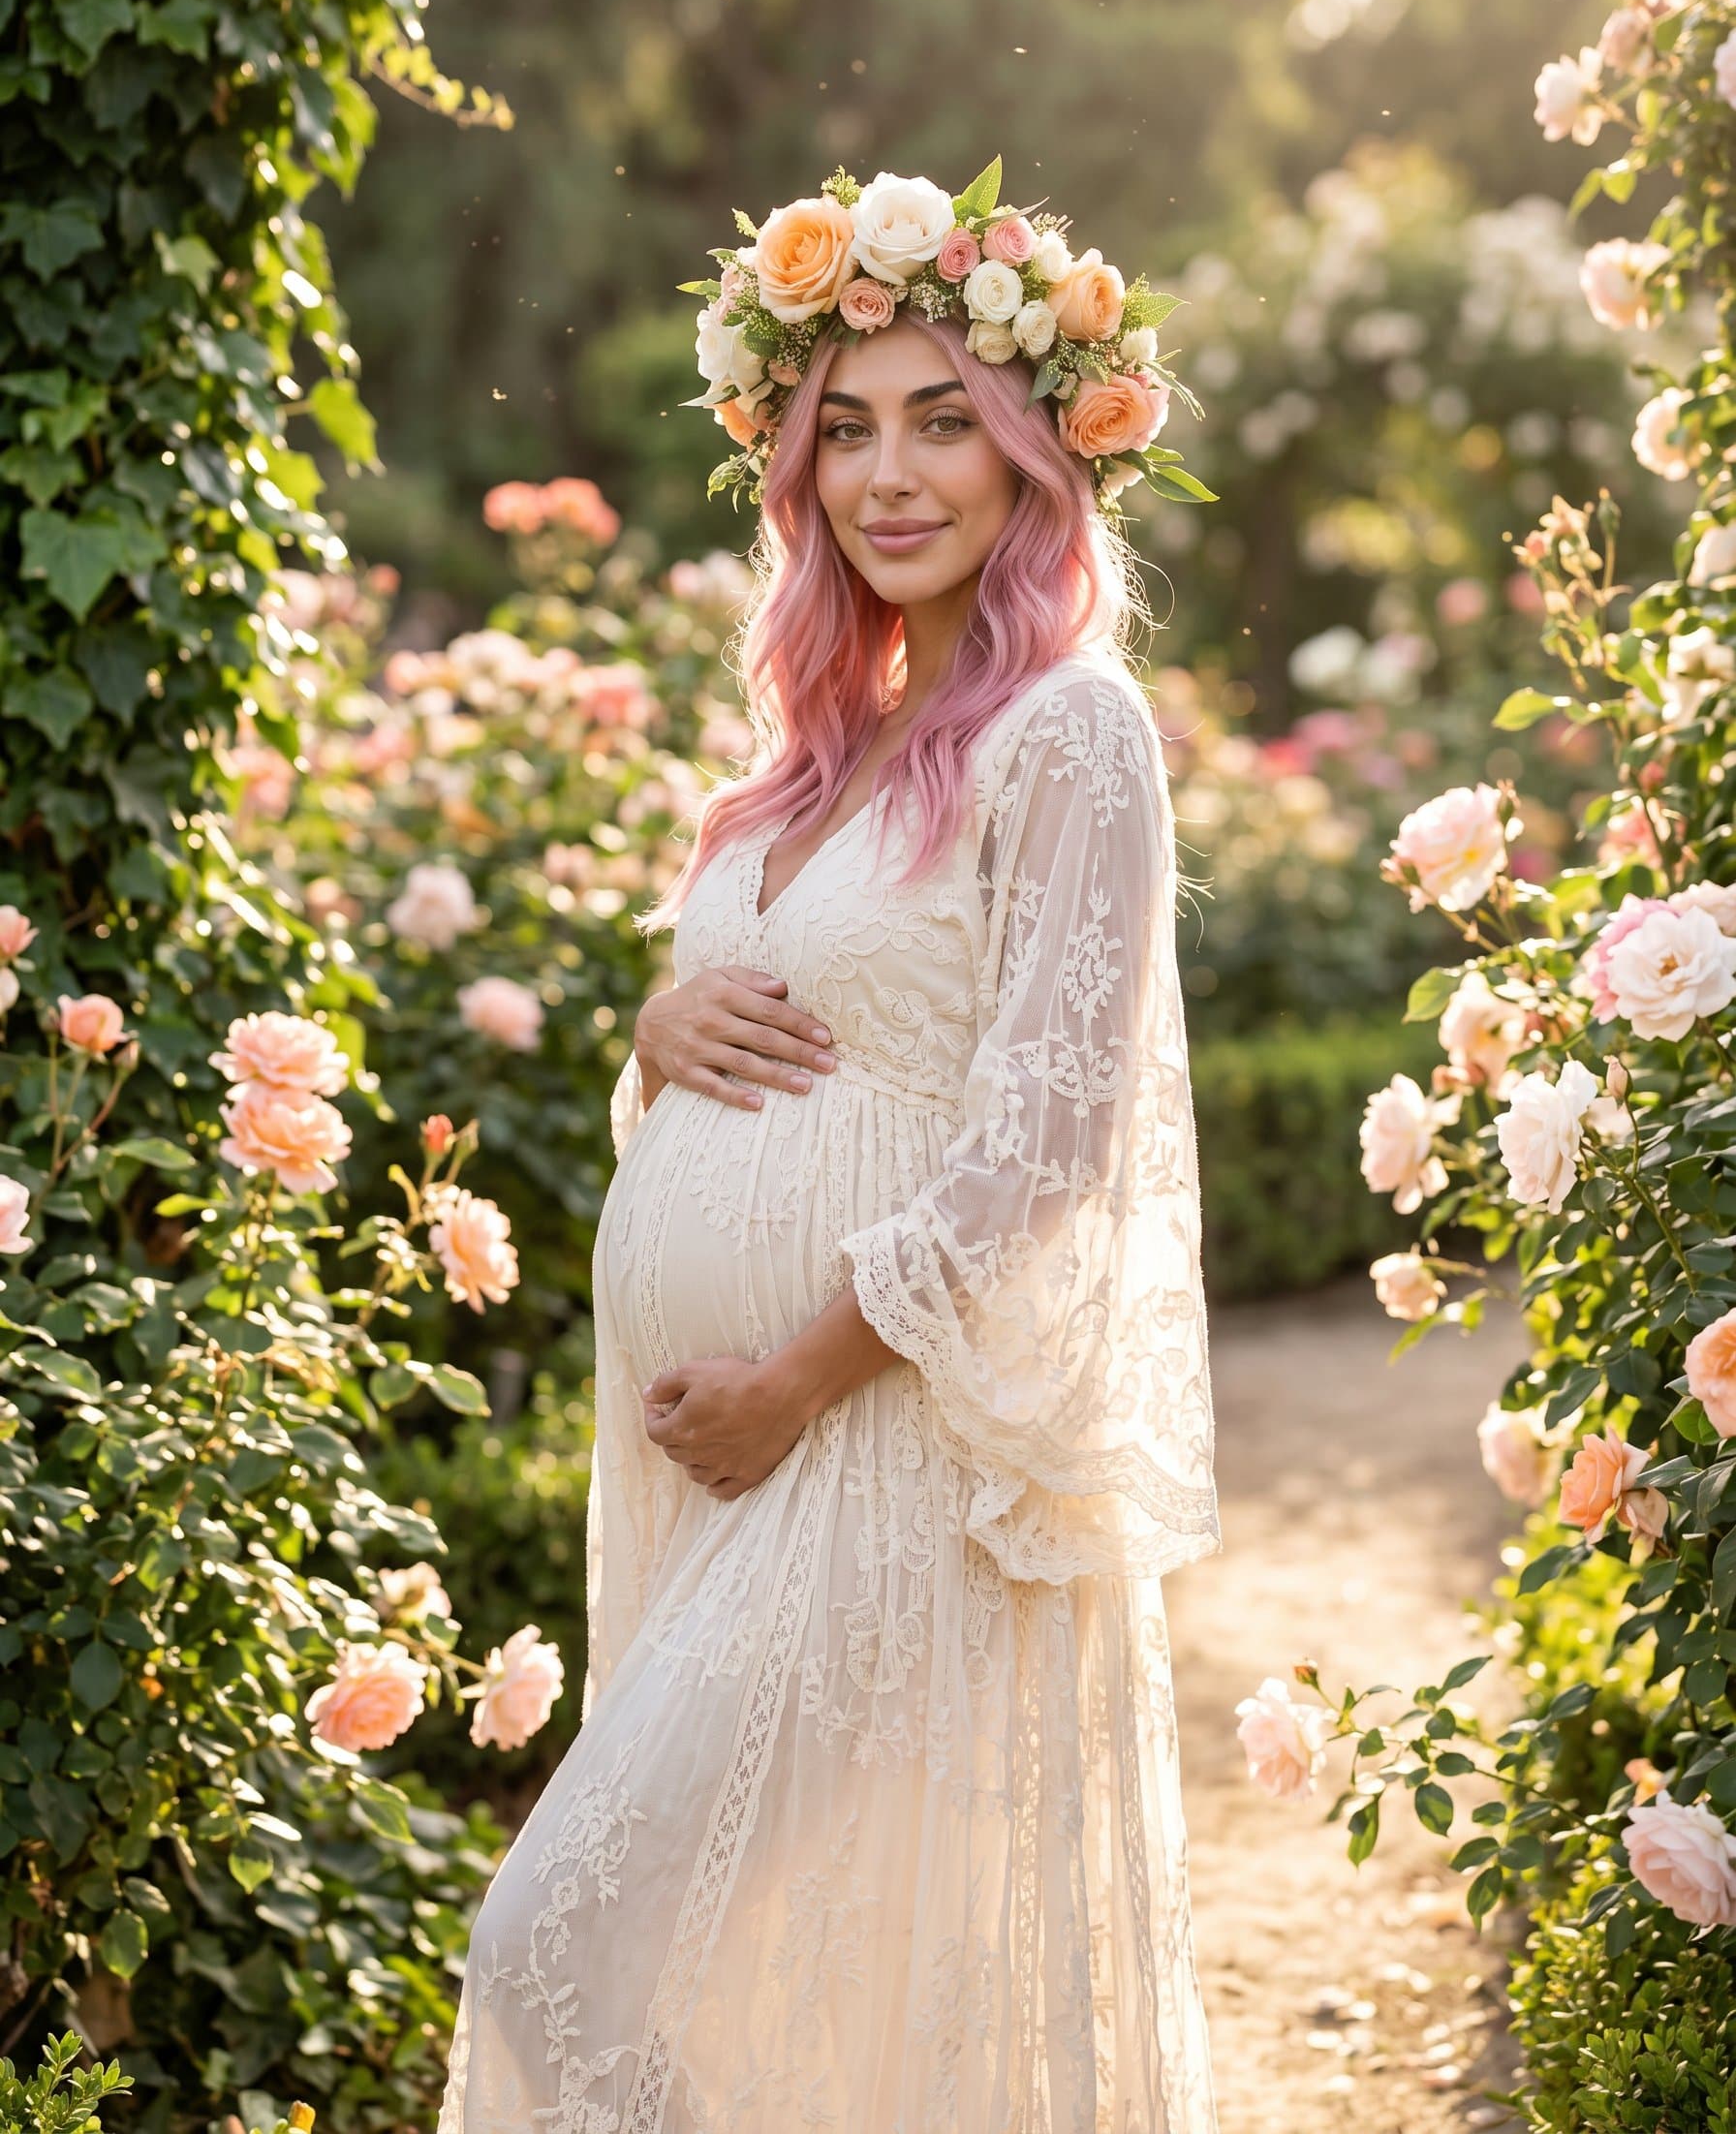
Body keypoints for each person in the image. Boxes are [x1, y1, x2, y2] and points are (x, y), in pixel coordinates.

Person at [438, 162, 1224, 2134]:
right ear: (789, 465)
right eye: (842, 427)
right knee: (755, 1978)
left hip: (877, 1452)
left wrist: (794, 1382)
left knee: (558, 1944)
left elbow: (1045, 1139)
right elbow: (758, 1065)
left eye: (943, 423)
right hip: (725, 1460)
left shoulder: (1069, 730)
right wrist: (650, 1029)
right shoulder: (797, 769)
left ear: (1039, 452)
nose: (889, 476)